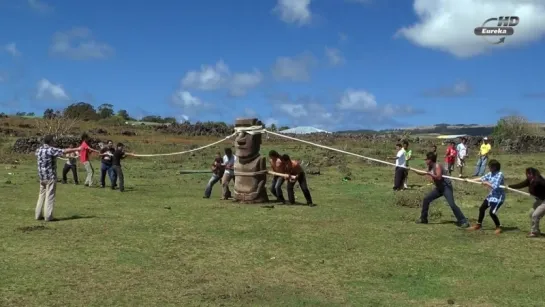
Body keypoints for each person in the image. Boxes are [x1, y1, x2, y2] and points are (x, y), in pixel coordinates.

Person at [413, 152, 470, 228]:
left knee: (452, 204)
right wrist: (411, 169)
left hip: (446, 187)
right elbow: (422, 172)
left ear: (430, 160)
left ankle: (463, 221)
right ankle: (423, 219)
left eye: (427, 159)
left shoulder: (437, 166)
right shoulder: (430, 167)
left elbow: (439, 177)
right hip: (439, 188)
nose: (425, 161)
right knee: (426, 199)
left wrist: (430, 174)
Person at [35, 135, 81, 221]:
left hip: (42, 177)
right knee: (50, 196)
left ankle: (37, 215)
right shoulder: (50, 149)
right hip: (50, 177)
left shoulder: (39, 149)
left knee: (41, 196)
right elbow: (64, 151)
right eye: (53, 141)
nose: (54, 143)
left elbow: (38, 154)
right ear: (50, 142)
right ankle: (48, 217)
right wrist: (77, 149)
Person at [468, 159, 505, 234]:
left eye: (490, 166)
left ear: (494, 167)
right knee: (482, 208)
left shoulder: (499, 174)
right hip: (491, 195)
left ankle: (498, 227)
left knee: (492, 212)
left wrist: (487, 183)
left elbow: (495, 186)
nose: (489, 168)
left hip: (498, 197)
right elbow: (482, 178)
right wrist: (469, 180)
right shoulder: (490, 173)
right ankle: (478, 225)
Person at [508, 168, 545, 237]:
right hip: (540, 200)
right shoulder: (530, 180)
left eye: (528, 174)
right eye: (527, 174)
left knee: (535, 215)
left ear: (532, 174)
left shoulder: (539, 180)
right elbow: (520, 185)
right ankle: (536, 230)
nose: (527, 175)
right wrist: (509, 187)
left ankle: (534, 232)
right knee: (532, 213)